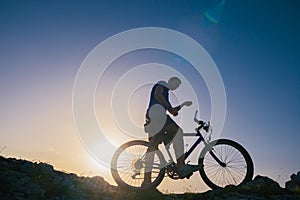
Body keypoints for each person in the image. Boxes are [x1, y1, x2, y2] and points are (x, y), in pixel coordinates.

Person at [143, 77, 202, 185]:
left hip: (151, 118)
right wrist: (170, 108)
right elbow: (158, 94)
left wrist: (182, 105)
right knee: (178, 132)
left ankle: (146, 182)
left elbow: (172, 110)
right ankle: (181, 166)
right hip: (157, 114)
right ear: (170, 81)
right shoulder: (162, 84)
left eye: (178, 85)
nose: (176, 86)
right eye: (175, 83)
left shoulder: (166, 95)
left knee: (153, 148)